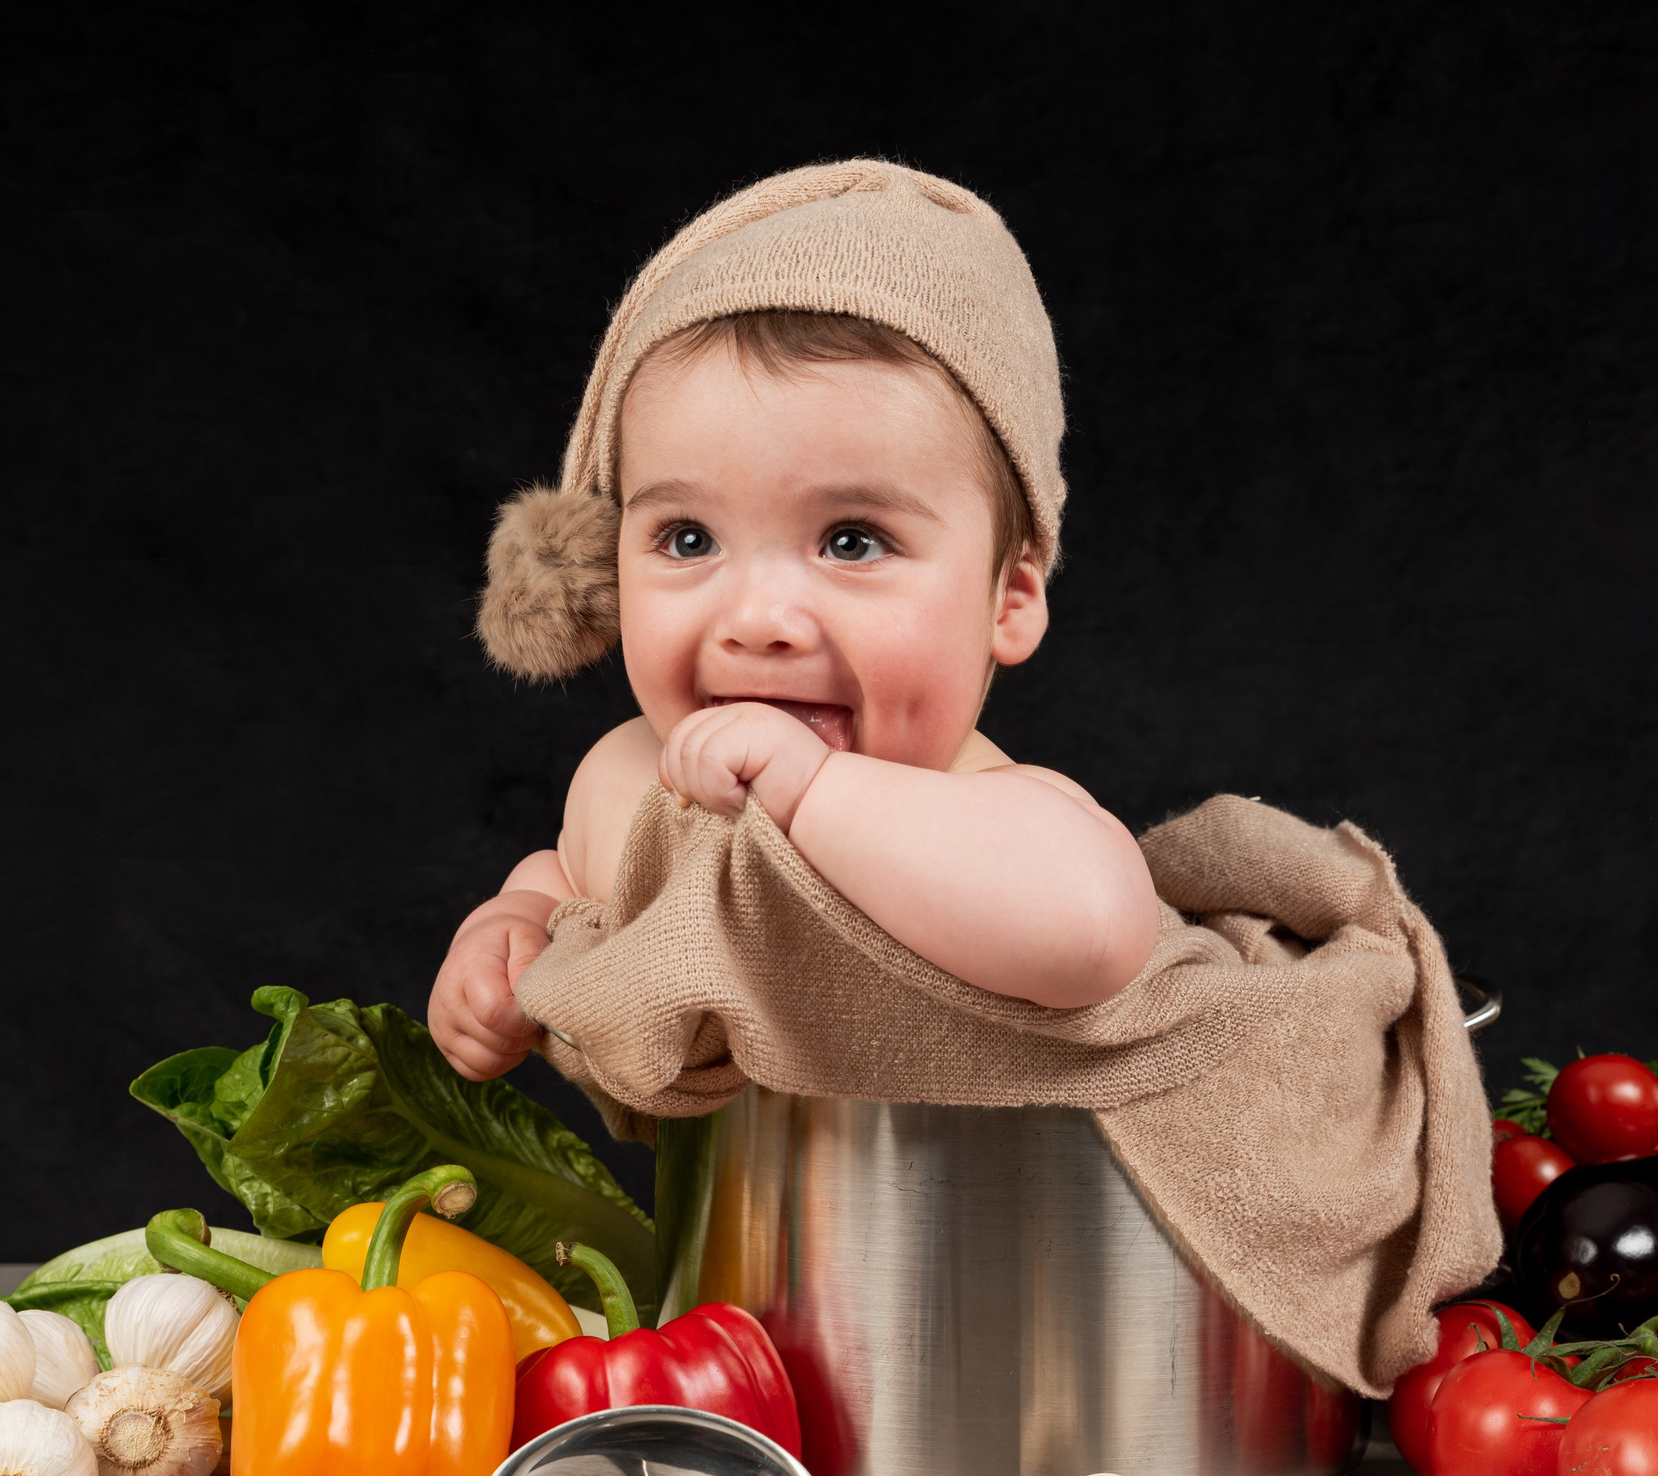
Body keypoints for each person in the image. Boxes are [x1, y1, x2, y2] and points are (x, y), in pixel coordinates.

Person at [429, 160, 1157, 1082]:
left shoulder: (996, 817)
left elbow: (1095, 926)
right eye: (688, 539)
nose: (758, 619)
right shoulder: (621, 778)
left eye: (852, 542)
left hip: (946, 1180)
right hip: (748, 1179)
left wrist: (811, 793)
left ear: (1006, 602)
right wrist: (510, 926)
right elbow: (569, 876)